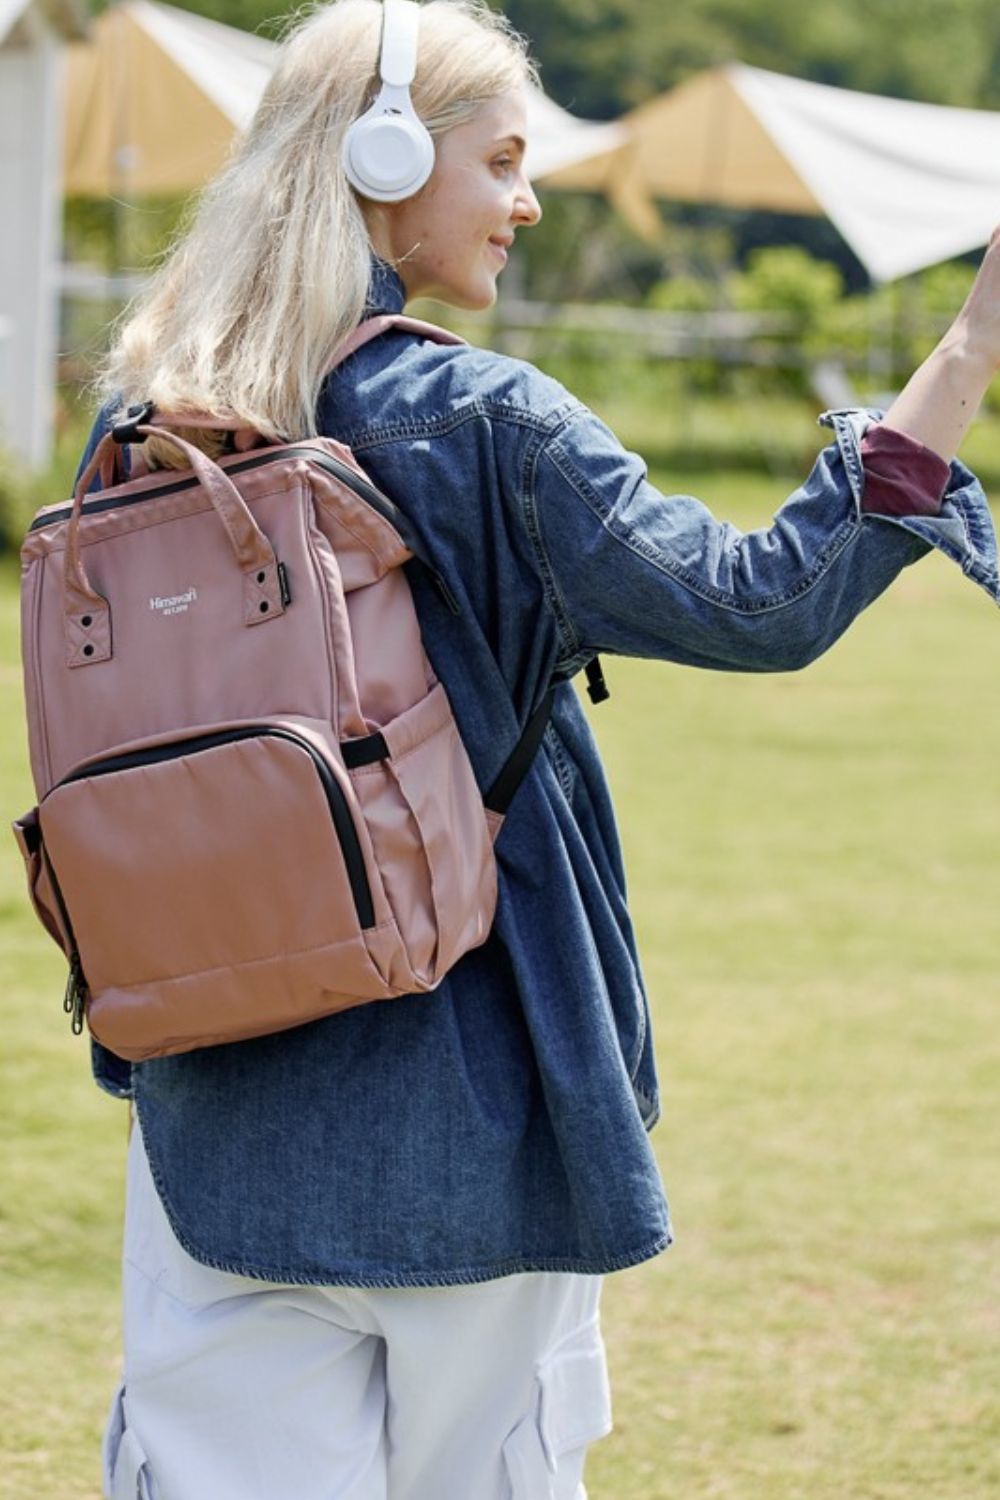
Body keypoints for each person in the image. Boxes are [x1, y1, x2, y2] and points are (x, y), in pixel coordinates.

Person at [72, 2, 1000, 1497]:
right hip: (476, 1092)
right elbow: (760, 603)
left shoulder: (144, 433)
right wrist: (967, 351)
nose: (529, 198)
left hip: (216, 1106)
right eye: (501, 158)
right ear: (383, 162)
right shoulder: (484, 423)